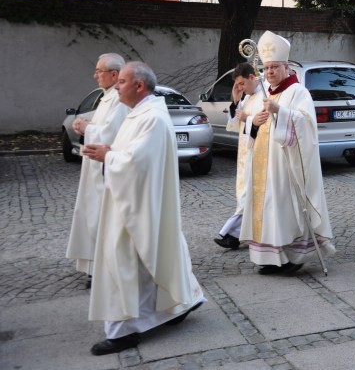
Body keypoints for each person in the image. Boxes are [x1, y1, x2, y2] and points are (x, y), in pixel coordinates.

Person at [82, 62, 205, 355]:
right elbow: (131, 153)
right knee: (143, 261)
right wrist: (110, 153)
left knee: (122, 262)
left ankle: (123, 331)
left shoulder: (152, 118)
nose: (116, 86)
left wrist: (108, 157)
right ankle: (180, 303)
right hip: (128, 200)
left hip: (137, 203)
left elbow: (138, 163)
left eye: (121, 81)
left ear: (139, 86)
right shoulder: (140, 113)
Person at [239, 30, 335, 274]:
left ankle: (293, 257)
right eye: (266, 68)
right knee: (267, 208)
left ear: (286, 67)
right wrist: (255, 122)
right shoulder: (262, 92)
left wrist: (280, 111)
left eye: (274, 67)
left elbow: (307, 125)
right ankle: (272, 258)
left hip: (286, 164)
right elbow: (252, 125)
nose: (269, 72)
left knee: (285, 207)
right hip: (263, 163)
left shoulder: (298, 92)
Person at [66, 53, 129, 288]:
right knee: (91, 216)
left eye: (99, 71)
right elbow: (101, 127)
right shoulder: (106, 98)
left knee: (101, 218)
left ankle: (102, 269)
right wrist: (85, 126)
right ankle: (94, 266)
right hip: (94, 165)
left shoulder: (119, 99)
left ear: (114, 74)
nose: (95, 75)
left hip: (107, 167)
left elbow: (113, 134)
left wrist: (88, 127)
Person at [214, 62, 266, 250]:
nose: (241, 88)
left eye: (242, 84)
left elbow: (265, 126)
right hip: (244, 155)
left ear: (252, 77)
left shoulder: (264, 95)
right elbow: (236, 124)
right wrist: (236, 100)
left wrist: (247, 119)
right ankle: (236, 235)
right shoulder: (248, 97)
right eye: (238, 85)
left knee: (248, 197)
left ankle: (231, 234)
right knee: (245, 196)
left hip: (258, 155)